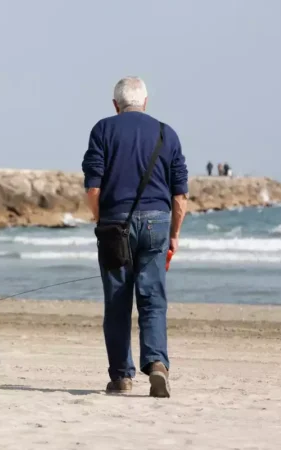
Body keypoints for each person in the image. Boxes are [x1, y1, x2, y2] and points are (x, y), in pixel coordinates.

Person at [82, 76, 189, 398]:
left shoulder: (103, 129)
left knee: (117, 302)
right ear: (145, 102)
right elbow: (180, 194)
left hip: (116, 223)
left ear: (116, 105)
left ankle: (121, 376)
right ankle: (156, 364)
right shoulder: (165, 132)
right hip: (157, 222)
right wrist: (175, 235)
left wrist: (101, 220)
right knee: (152, 300)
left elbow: (93, 188)